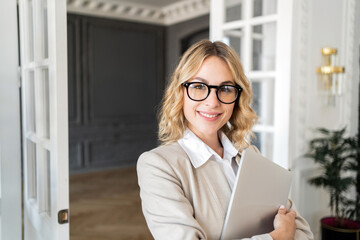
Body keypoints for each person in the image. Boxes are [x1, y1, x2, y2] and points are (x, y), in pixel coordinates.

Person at [137, 40, 313, 240]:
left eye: (226, 89)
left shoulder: (250, 156)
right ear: (180, 92)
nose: (212, 102)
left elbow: (303, 232)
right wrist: (278, 237)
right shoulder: (159, 165)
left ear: (237, 98)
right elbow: (287, 232)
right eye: (198, 86)